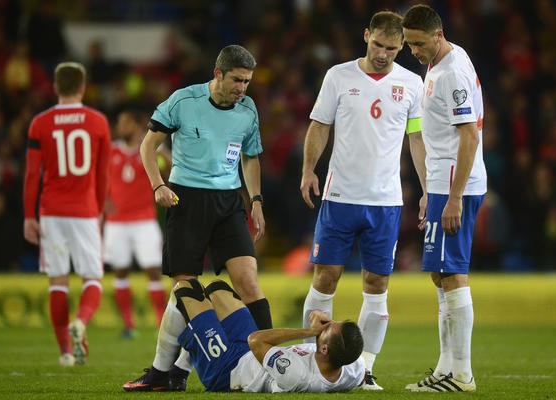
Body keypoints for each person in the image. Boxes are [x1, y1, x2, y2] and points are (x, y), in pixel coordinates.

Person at [299, 11, 425, 390]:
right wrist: (308, 170)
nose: (383, 54)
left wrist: (425, 191)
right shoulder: (338, 76)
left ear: (401, 45)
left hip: (385, 203)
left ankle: (364, 370)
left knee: (377, 283)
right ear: (366, 35)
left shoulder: (412, 83)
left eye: (391, 47)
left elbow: (416, 139)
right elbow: (319, 126)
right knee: (326, 277)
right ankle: (311, 360)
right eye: (377, 45)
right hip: (339, 197)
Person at [137, 44, 272, 391]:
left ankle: (268, 362)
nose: (243, 88)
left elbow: (251, 157)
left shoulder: (248, 109)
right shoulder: (183, 101)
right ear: (218, 74)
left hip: (228, 203)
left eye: (247, 82)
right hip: (187, 198)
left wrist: (255, 199)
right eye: (237, 80)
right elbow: (147, 146)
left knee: (248, 280)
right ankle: (164, 373)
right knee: (185, 289)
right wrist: (157, 186)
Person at [401, 4, 487, 392]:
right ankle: (445, 368)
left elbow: (469, 135)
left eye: (418, 43)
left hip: (456, 187)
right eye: (409, 44)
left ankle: (462, 374)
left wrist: (452, 198)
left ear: (438, 35)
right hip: (442, 185)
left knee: (451, 273)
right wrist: (430, 191)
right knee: (440, 274)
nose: (413, 51)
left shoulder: (451, 72)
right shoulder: (443, 62)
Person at [123, 279, 365, 393]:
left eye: (328, 329)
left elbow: (257, 340)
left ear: (324, 350)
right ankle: (178, 374)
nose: (325, 325)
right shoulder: (351, 368)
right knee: (218, 290)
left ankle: (158, 376)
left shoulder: (298, 376)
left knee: (183, 291)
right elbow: (361, 372)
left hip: (227, 371)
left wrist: (307, 331)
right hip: (248, 355)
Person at [23, 62, 111, 367]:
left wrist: (28, 216)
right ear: (83, 87)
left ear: (55, 87)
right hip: (85, 211)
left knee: (58, 282)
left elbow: (32, 175)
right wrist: (99, 209)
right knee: (93, 278)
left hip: (51, 212)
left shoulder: (40, 123)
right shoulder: (98, 122)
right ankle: (81, 322)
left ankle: (65, 352)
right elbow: (103, 173)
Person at [103, 110, 169, 337]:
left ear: (136, 124)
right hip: (116, 222)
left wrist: (164, 155)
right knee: (120, 271)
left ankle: (161, 322)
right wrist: (103, 202)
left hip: (144, 220)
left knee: (152, 269)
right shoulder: (111, 151)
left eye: (126, 122)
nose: (121, 127)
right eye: (119, 122)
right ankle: (128, 325)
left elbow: (168, 169)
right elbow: (99, 179)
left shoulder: (150, 148)